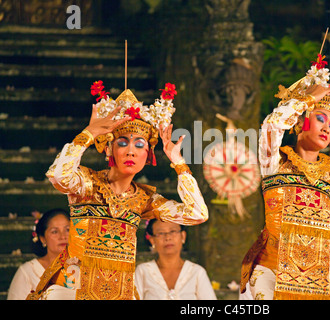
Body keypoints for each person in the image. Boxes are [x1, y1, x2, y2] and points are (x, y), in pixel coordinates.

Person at [27, 82, 209, 300]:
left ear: (149, 154)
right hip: (73, 289)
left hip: (119, 293)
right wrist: (89, 133)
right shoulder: (87, 183)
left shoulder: (144, 198)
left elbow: (198, 213)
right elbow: (58, 175)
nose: (131, 151)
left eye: (140, 145)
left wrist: (178, 162)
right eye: (123, 143)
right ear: (108, 148)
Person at [240, 54, 330, 300]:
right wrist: (309, 98)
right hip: (270, 271)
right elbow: (272, 126)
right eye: (320, 119)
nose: (326, 129)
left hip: (316, 280)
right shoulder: (274, 164)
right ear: (300, 123)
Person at [135, 219, 217, 300]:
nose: (168, 237)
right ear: (152, 240)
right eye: (161, 233)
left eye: (173, 231)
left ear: (183, 236)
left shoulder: (197, 272)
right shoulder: (143, 271)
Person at [7, 209, 70, 300]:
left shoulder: (83, 267)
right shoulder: (27, 272)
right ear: (42, 238)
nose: (63, 236)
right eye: (55, 232)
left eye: (67, 230)